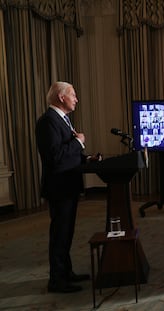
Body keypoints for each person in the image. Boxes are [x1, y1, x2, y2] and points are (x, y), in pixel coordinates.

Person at [35, 81, 99, 293]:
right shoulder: (48, 122)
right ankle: (56, 281)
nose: (76, 99)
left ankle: (66, 272)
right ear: (61, 97)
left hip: (68, 186)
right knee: (60, 234)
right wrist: (79, 142)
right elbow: (54, 157)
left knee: (67, 232)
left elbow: (66, 155)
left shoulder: (62, 119)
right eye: (73, 95)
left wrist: (85, 159)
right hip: (59, 188)